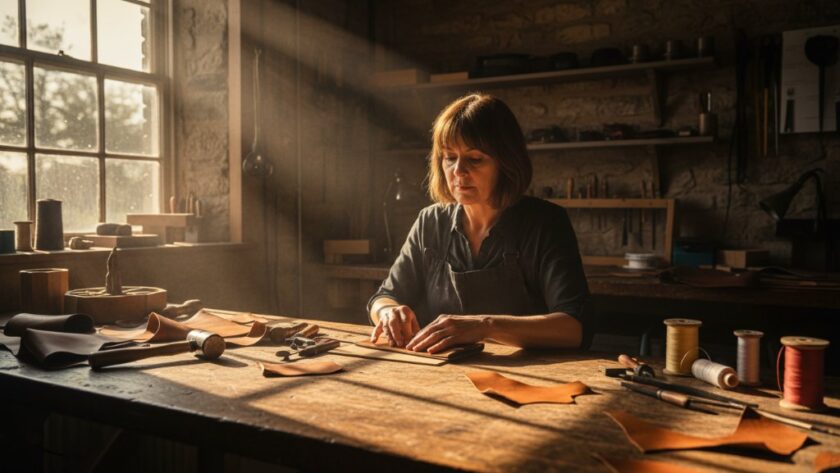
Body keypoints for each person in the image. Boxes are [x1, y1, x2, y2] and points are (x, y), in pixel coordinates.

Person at [367, 93, 590, 354]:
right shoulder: (431, 221)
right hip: (438, 374)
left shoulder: (545, 223)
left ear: (506, 163)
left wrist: (485, 326)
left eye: (475, 159)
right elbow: (383, 297)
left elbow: (575, 328)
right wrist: (388, 311)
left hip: (525, 376)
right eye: (450, 157)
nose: (458, 171)